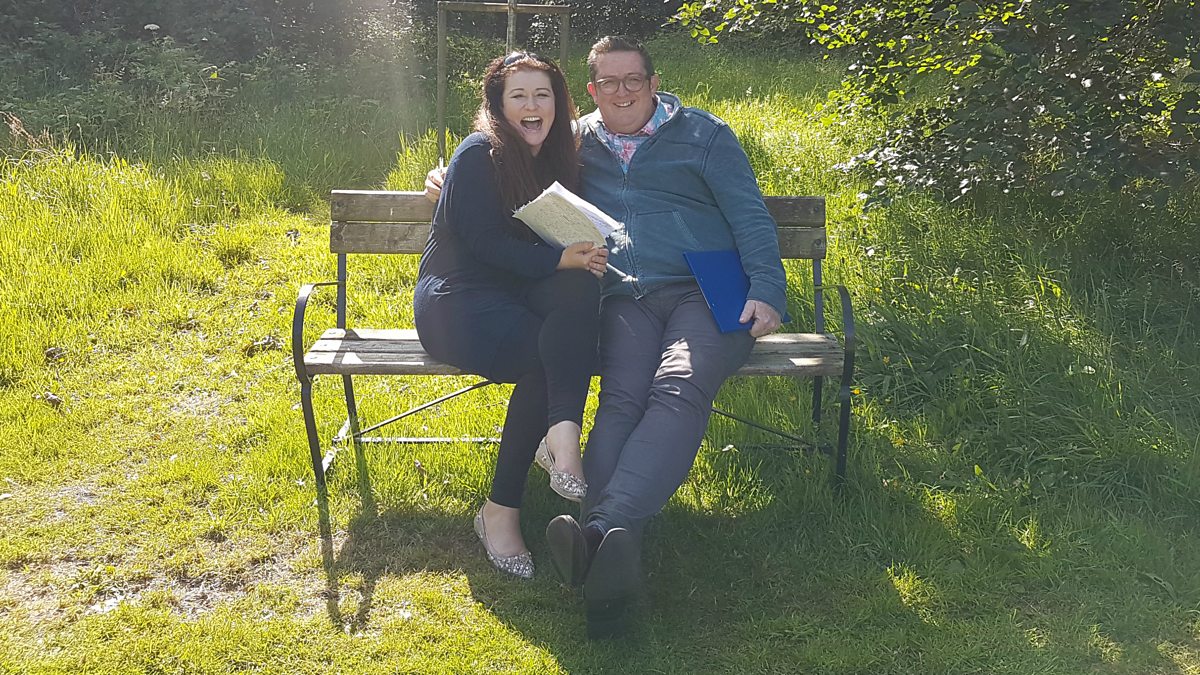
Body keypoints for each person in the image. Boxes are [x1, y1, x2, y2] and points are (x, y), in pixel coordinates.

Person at [426, 36, 786, 637]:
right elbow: (503, 155)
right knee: (620, 398)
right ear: (591, 91)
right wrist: (448, 176)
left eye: (633, 80)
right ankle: (607, 562)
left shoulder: (704, 135)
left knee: (679, 384)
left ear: (654, 83)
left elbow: (749, 214)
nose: (622, 92)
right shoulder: (575, 141)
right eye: (608, 83)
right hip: (624, 297)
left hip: (704, 291)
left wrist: (768, 289)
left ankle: (599, 530)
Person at [414, 52, 609, 580]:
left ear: (559, 103)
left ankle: (559, 438)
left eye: (542, 94)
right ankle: (503, 508)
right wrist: (558, 259)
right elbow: (482, 243)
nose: (531, 105)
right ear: (498, 106)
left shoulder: (560, 159)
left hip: (521, 293)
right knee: (548, 353)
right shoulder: (479, 152)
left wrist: (579, 257)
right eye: (518, 96)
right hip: (458, 300)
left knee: (578, 290)